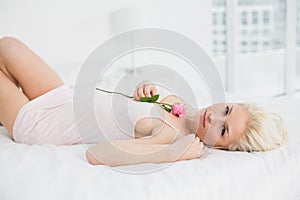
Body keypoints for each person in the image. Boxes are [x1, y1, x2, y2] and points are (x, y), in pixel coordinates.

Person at [0, 37, 288, 167]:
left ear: (222, 146)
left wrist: (171, 153)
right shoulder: (184, 106)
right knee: (8, 46)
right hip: (65, 99)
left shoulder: (169, 136)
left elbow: (96, 155)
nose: (213, 118)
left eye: (222, 130)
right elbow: (128, 111)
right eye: (226, 110)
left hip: (44, 125)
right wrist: (143, 91)